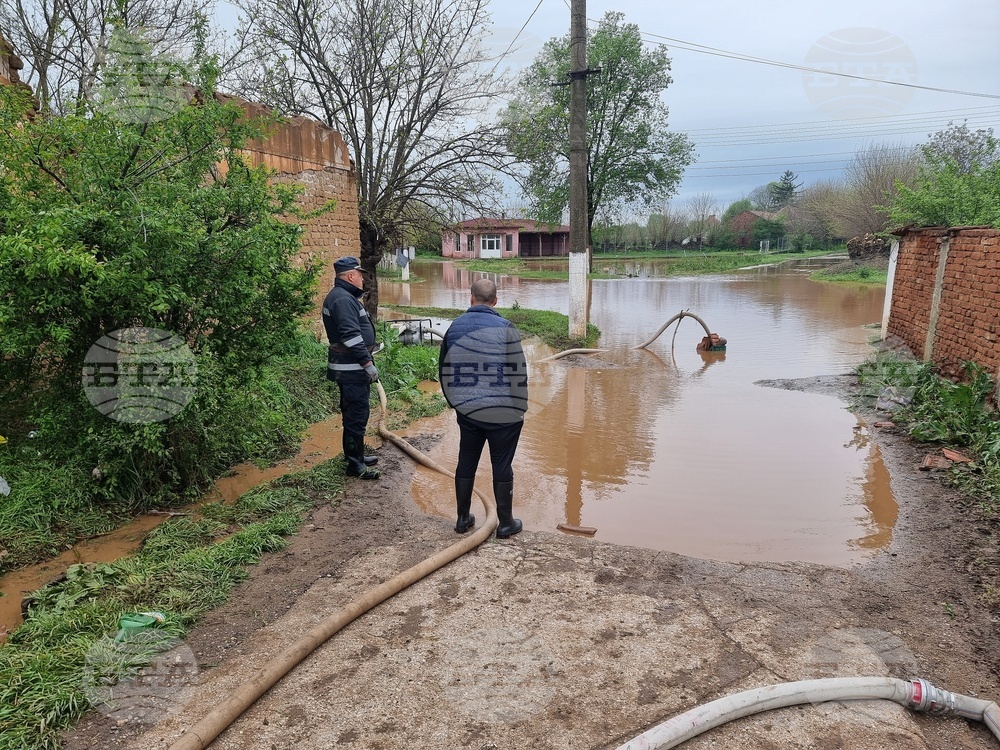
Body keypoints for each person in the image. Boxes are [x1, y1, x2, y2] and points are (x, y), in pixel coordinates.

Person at [439, 278, 528, 538]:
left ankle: (462, 518)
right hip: (503, 413)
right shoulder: (505, 327)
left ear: (471, 299)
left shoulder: (454, 328)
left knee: (466, 460)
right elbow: (518, 373)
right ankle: (506, 523)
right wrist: (520, 408)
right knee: (502, 464)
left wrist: (455, 403)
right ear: (496, 301)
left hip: (468, 412)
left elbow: (443, 370)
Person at [322, 256, 381, 480]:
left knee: (355, 414)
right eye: (359, 274)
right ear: (350, 276)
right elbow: (351, 336)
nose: (362, 279)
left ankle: (354, 454)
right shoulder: (343, 299)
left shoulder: (344, 296)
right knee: (356, 415)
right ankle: (355, 465)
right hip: (351, 368)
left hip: (351, 367)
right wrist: (367, 364)